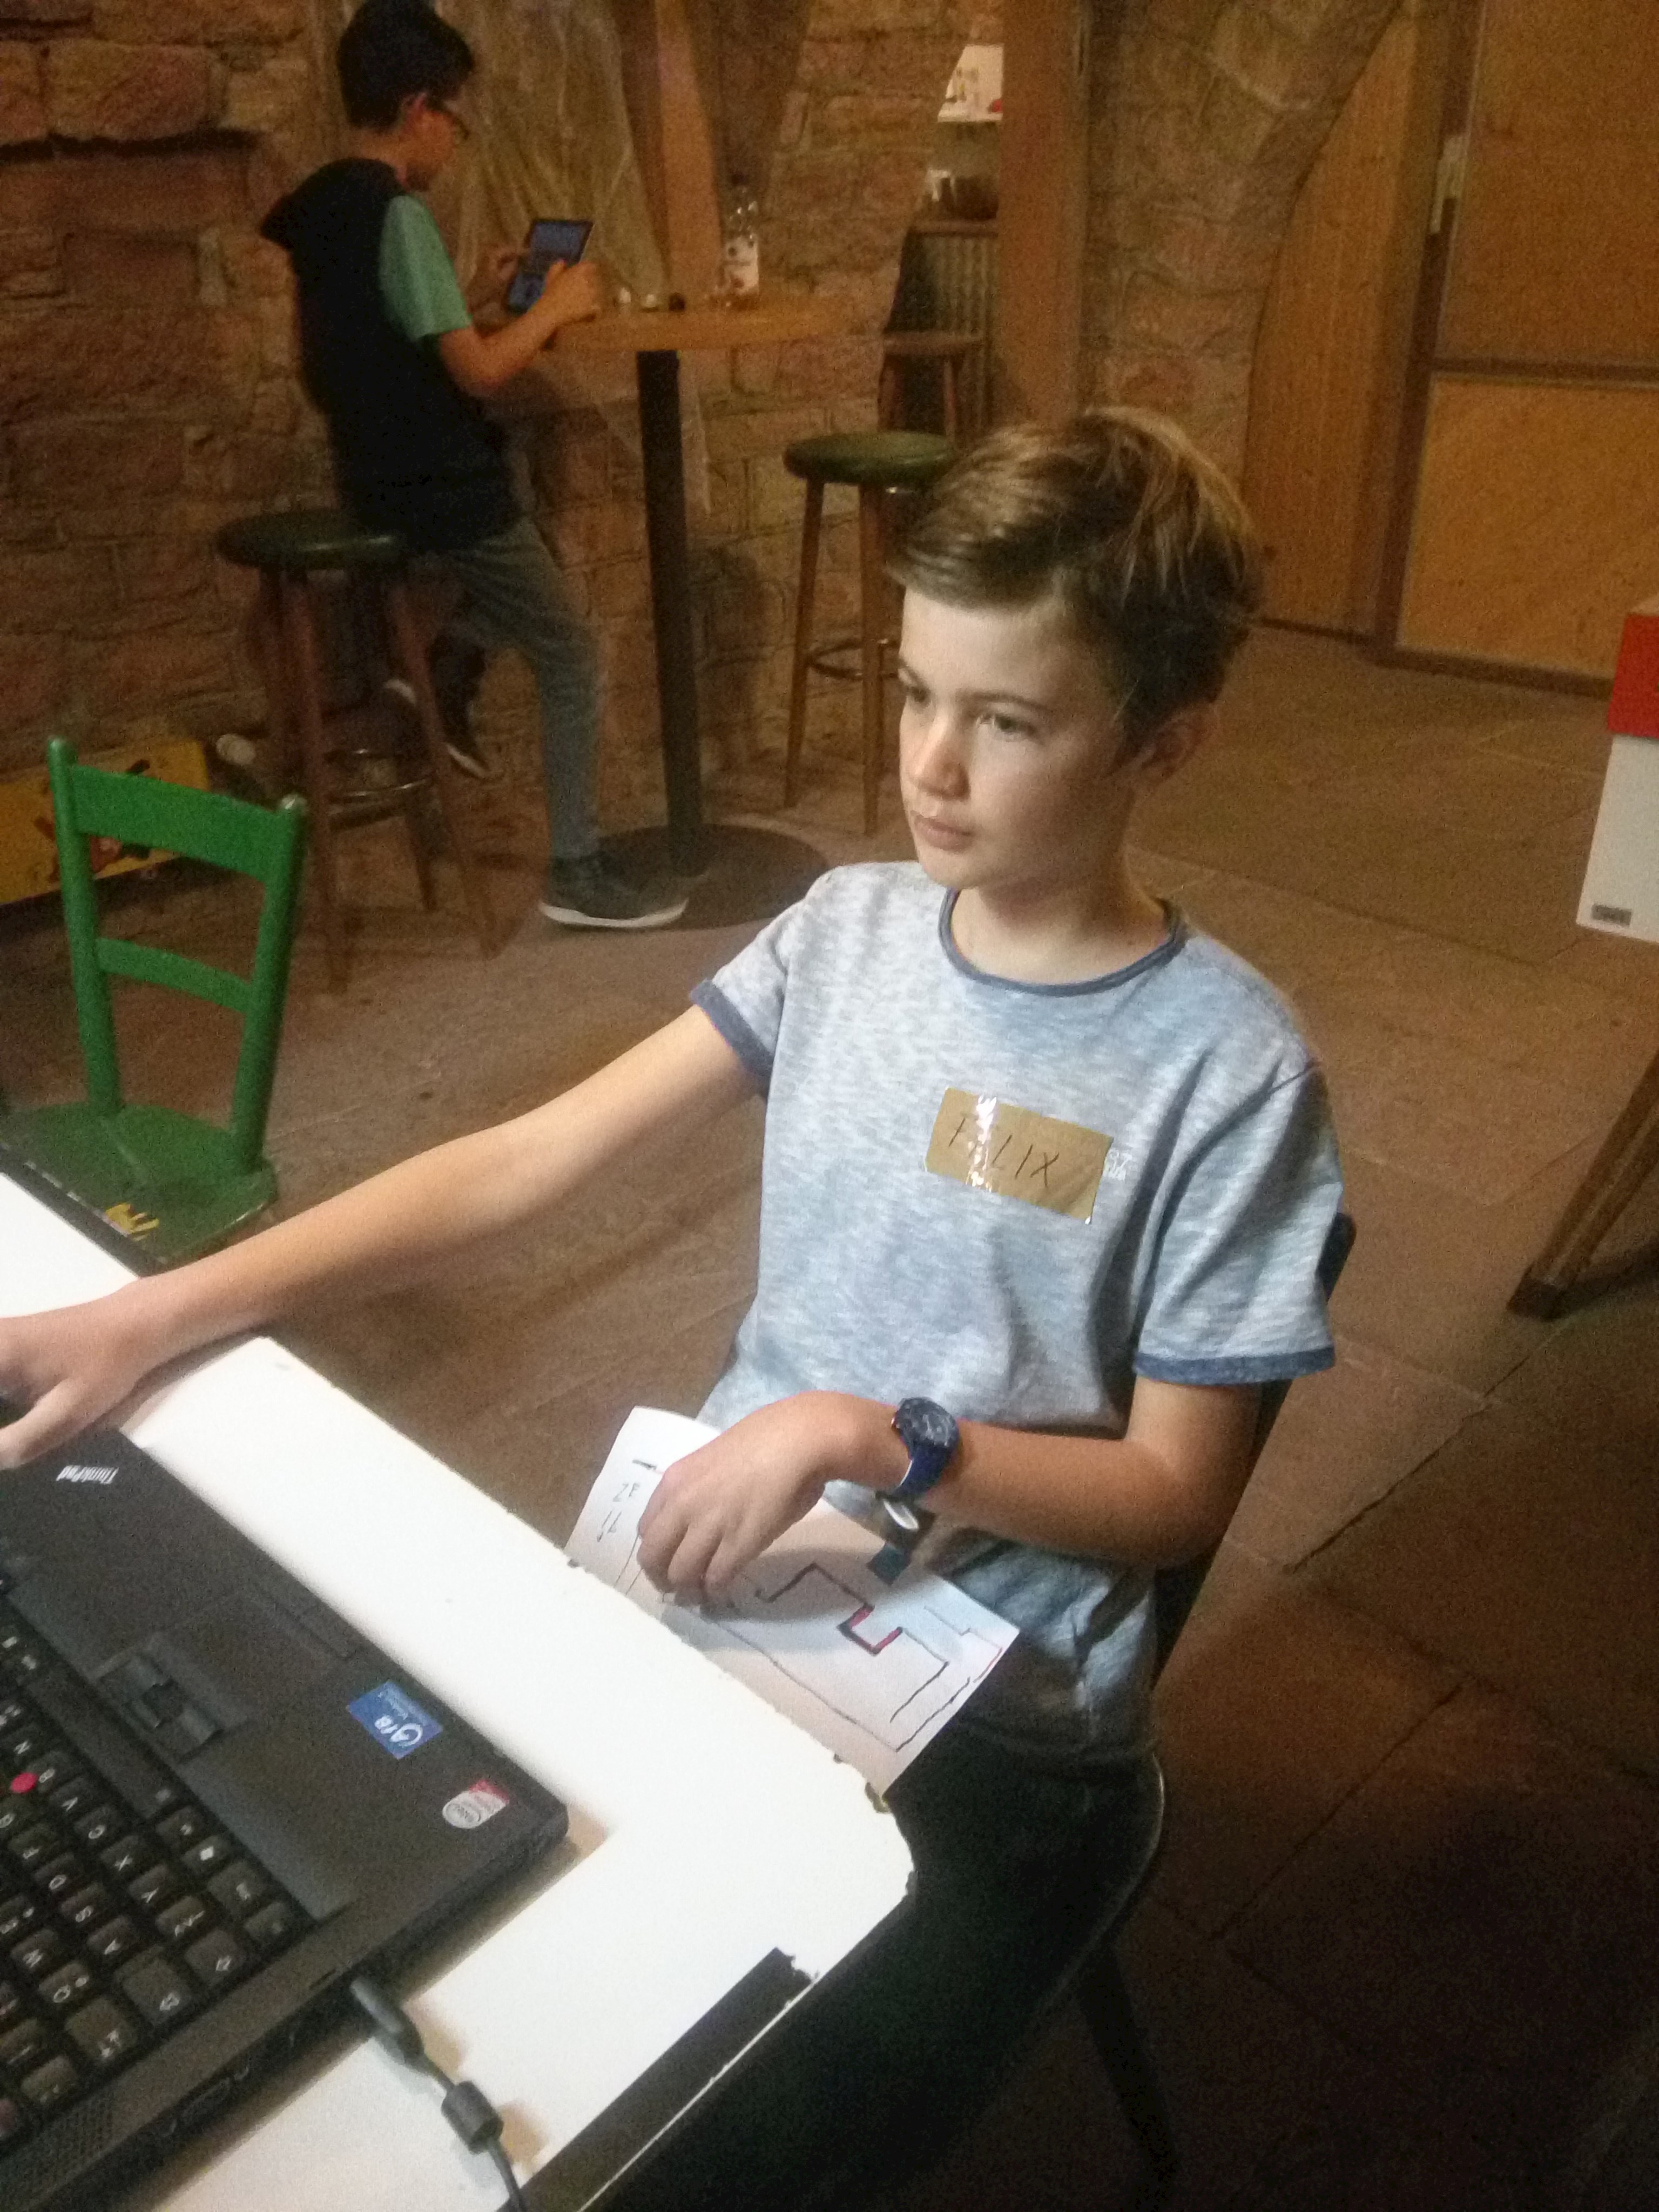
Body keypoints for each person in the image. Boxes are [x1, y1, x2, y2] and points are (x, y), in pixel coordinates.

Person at [0, 409, 1342, 2207]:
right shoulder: (844, 933)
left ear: (1164, 741)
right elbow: (526, 1157)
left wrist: (876, 1435)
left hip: (992, 1706)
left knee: (702, 2118)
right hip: (723, 1568)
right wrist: (166, 1310)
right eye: (917, 691)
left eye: (1010, 721)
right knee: (389, 1871)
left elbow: (1175, 1494)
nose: (931, 764)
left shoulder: (1226, 1073)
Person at [260, 0, 685, 930]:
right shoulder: (398, 212)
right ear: (419, 108)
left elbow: (328, 361)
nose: (458, 138)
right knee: (569, 650)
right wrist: (556, 306)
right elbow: (484, 374)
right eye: (456, 116)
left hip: (372, 479)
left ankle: (436, 672)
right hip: (443, 490)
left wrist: (477, 297)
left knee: (516, 595)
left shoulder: (320, 210)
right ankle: (576, 870)